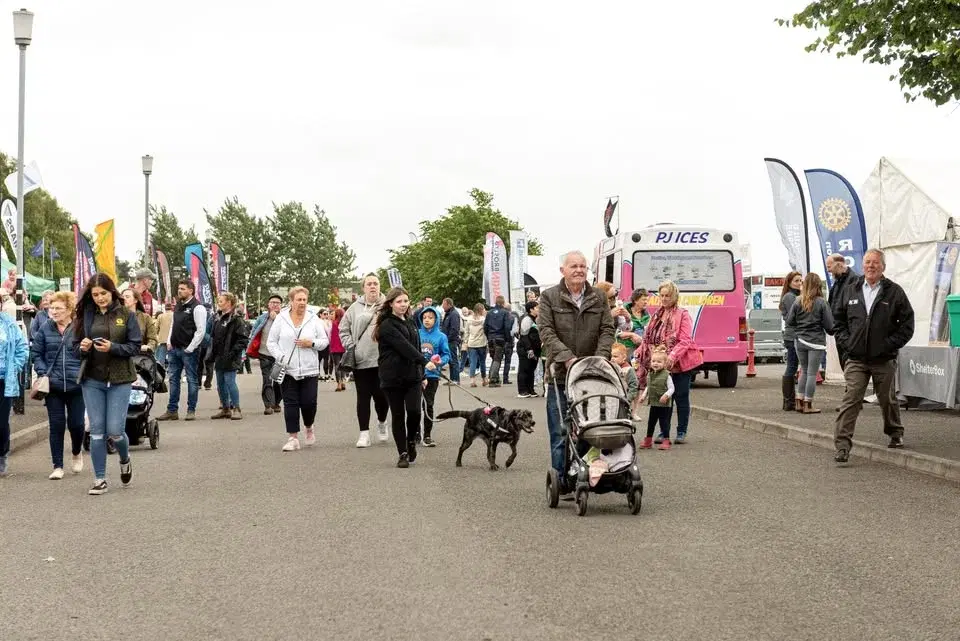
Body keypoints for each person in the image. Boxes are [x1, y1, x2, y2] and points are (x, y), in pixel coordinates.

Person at [538, 251, 615, 487]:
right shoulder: (549, 297)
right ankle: (560, 480)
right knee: (560, 431)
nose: (579, 270)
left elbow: (607, 330)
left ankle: (578, 473)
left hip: (591, 378)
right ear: (563, 270)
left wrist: (599, 359)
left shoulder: (598, 298)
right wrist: (567, 358)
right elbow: (546, 331)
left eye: (583, 266)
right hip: (560, 376)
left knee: (589, 429)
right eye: (574, 266)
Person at [833, 249, 914, 463]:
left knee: (887, 398)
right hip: (856, 358)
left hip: (883, 359)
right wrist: (847, 343)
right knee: (852, 399)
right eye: (867, 262)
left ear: (883, 267)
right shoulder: (851, 290)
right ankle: (842, 445)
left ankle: (895, 433)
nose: (871, 266)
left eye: (875, 263)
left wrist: (889, 346)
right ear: (862, 265)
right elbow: (838, 321)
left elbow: (907, 325)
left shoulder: (894, 292)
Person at [72, 274, 142, 495]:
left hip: (120, 379)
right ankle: (99, 479)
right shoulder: (86, 315)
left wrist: (112, 347)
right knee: (97, 431)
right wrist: (82, 347)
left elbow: (134, 347)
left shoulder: (126, 315)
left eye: (103, 293)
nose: (100, 298)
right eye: (95, 295)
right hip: (92, 379)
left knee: (115, 431)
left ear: (112, 292)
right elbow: (74, 347)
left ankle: (125, 457)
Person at [634, 279, 701, 446]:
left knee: (680, 396)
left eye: (667, 295)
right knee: (663, 399)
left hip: (680, 363)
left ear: (674, 296)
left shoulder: (683, 314)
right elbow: (647, 337)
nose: (664, 299)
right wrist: (641, 353)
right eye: (661, 295)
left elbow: (685, 340)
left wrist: (671, 357)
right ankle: (664, 432)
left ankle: (681, 431)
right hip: (660, 362)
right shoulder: (656, 314)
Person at [374, 287, 432, 468]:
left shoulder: (411, 322)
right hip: (392, 377)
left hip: (412, 376)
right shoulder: (386, 326)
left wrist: (422, 374)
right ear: (391, 304)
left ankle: (411, 440)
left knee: (415, 412)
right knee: (398, 415)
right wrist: (424, 361)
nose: (403, 305)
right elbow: (403, 346)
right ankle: (403, 452)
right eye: (399, 302)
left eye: (405, 301)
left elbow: (416, 345)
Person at [266, 287, 329, 451]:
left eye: (304, 300)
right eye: (299, 300)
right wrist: (281, 357)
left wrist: (312, 343)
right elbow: (271, 342)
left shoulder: (313, 319)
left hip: (309, 369)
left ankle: (309, 426)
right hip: (288, 369)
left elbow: (324, 341)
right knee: (290, 403)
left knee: (309, 403)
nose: (302, 303)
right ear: (291, 301)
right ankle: (293, 437)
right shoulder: (281, 319)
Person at [32, 291, 86, 479]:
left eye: (58, 308)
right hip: (53, 385)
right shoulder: (45, 328)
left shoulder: (80, 327)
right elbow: (36, 353)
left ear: (69, 309)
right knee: (56, 424)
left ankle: (77, 452)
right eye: (51, 308)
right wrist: (42, 372)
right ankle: (58, 466)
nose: (53, 311)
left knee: (77, 424)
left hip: (76, 384)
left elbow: (88, 354)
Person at [340, 274, 389, 448]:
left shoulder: (388, 305)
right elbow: (343, 330)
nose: (373, 286)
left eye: (375, 283)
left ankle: (382, 422)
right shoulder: (354, 308)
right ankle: (364, 433)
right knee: (363, 397)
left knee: (382, 398)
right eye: (369, 284)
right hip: (361, 361)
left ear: (380, 285)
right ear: (363, 288)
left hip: (383, 360)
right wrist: (351, 346)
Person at [157, 280, 208, 422]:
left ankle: (191, 410)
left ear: (191, 290)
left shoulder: (198, 308)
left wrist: (190, 348)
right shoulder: (178, 305)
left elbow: (201, 331)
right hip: (174, 348)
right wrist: (168, 341)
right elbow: (173, 324)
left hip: (188, 350)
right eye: (179, 288)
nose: (179, 291)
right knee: (173, 380)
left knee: (192, 380)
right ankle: (172, 410)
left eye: (183, 289)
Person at [786, 273, 834, 414]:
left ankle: (799, 402)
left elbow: (789, 322)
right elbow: (830, 326)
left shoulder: (797, 301)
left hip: (800, 341)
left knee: (804, 371)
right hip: (816, 342)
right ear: (818, 285)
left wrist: (800, 329)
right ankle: (808, 404)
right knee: (812, 373)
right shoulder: (821, 302)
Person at [0, 300, 30, 476]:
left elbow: (23, 348)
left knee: (1, 424)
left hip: (5, 380)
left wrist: (16, 366)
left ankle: (2, 454)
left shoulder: (9, 324)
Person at [209, 292, 250, 420]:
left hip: (231, 357)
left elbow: (243, 339)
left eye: (221, 301)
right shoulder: (217, 318)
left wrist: (233, 353)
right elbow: (213, 337)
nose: (219, 303)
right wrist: (212, 354)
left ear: (229, 303)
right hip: (219, 356)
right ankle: (225, 408)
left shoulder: (237, 319)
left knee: (230, 382)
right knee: (220, 383)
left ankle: (236, 408)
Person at [416, 305, 450, 447]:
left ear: (436, 319)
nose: (427, 320)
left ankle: (427, 436)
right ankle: (416, 433)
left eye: (430, 317)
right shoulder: (416, 334)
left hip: (432, 376)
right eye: (424, 317)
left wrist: (439, 361)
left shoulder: (441, 337)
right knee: (415, 406)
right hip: (416, 375)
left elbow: (447, 354)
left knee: (428, 405)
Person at [248, 295, 284, 414]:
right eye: (272, 302)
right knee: (267, 379)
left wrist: (277, 319)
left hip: (279, 355)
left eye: (277, 303)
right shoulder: (262, 318)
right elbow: (254, 333)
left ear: (281, 306)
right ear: (268, 305)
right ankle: (268, 405)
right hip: (264, 353)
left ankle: (276, 402)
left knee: (279, 381)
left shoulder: (285, 319)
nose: (275, 304)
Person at [638, 345, 676, 450]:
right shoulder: (650, 374)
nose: (655, 364)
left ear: (665, 364)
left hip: (664, 404)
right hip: (654, 403)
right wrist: (644, 396)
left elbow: (672, 388)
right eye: (654, 361)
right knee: (651, 422)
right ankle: (648, 440)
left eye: (659, 362)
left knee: (664, 423)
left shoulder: (666, 375)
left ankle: (666, 439)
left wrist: (666, 395)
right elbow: (648, 386)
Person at [779, 271, 803, 411]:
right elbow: (791, 318)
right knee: (792, 367)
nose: (799, 283)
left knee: (793, 366)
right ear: (789, 283)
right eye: (796, 281)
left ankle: (790, 401)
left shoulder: (796, 296)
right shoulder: (790, 297)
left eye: (801, 280)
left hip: (795, 335)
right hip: (792, 336)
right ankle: (789, 401)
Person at [516, 299, 542, 398]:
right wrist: (529, 350)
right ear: (531, 309)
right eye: (537, 307)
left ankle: (530, 389)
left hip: (535, 349)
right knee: (524, 369)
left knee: (531, 369)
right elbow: (524, 336)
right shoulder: (527, 319)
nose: (539, 309)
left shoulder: (536, 319)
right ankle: (522, 390)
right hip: (525, 348)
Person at [483, 295, 510, 387]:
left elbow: (485, 327)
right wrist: (507, 338)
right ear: (503, 303)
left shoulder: (489, 313)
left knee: (494, 358)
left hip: (491, 338)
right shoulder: (505, 313)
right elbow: (507, 327)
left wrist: (488, 336)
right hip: (500, 338)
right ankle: (493, 379)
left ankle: (495, 378)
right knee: (497, 359)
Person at [121, 288, 159, 353]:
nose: (124, 299)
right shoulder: (116, 316)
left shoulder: (145, 318)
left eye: (127, 297)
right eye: (122, 297)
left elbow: (153, 339)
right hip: (120, 356)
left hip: (139, 357)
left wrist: (148, 347)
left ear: (135, 300)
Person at [616, 288, 650, 355]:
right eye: (643, 300)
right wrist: (632, 335)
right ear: (635, 300)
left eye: (647, 300)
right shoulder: (623, 311)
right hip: (626, 348)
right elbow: (617, 332)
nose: (646, 302)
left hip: (641, 348)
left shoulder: (647, 315)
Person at [611, 342, 638, 413]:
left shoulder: (629, 369)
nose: (612, 359)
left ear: (624, 358)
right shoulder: (611, 368)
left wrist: (627, 399)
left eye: (615, 356)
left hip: (625, 402)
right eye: (612, 356)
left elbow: (634, 386)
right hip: (613, 400)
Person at [465, 303, 488, 387]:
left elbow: (466, 332)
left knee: (472, 362)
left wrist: (466, 341)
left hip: (471, 343)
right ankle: (484, 379)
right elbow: (486, 331)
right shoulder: (484, 320)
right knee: (482, 362)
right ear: (481, 310)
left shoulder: (469, 320)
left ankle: (472, 380)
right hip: (482, 343)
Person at [440, 298, 461, 385]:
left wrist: (447, 339)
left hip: (451, 341)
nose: (442, 306)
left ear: (449, 304)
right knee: (450, 360)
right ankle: (452, 379)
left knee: (453, 360)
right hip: (448, 340)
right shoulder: (449, 314)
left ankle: (456, 379)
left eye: (443, 304)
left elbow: (454, 329)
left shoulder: (454, 314)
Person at [330, 307, 347, 392]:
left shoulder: (334, 323)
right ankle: (343, 381)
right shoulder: (345, 323)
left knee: (337, 365)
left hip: (335, 348)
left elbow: (331, 337)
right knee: (343, 365)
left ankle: (339, 383)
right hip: (344, 347)